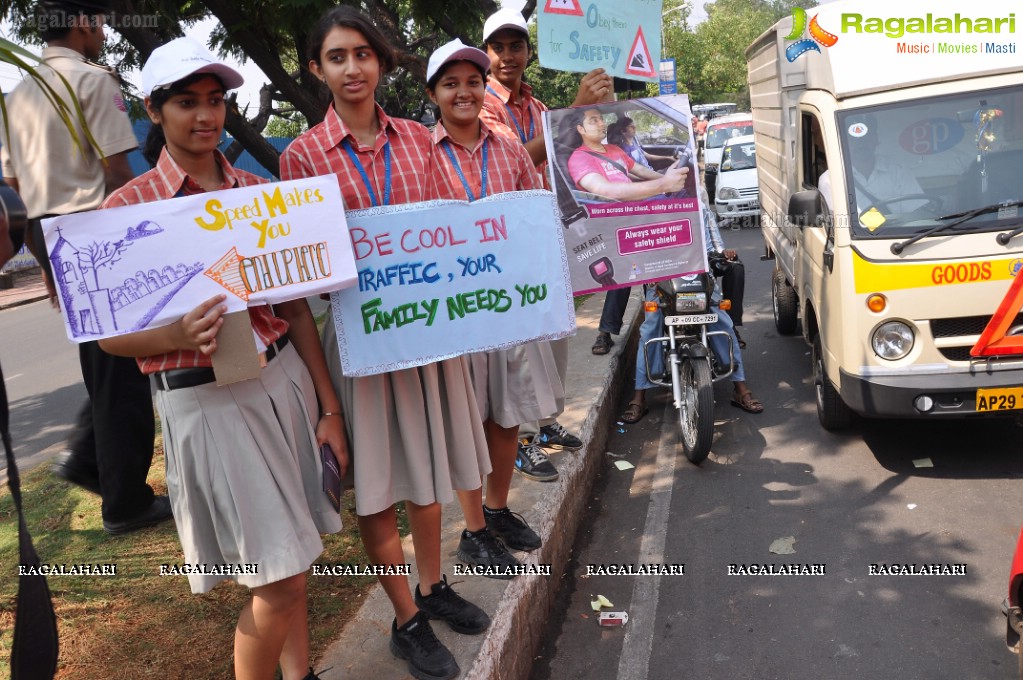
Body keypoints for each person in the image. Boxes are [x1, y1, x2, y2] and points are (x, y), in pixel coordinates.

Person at [97, 37, 343, 680]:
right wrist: (173, 329)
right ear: (155, 110)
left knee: (296, 555)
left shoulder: (258, 192)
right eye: (187, 102)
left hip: (282, 378)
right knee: (279, 576)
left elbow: (293, 311)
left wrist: (328, 404)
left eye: (215, 101)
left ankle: (300, 672)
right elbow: (107, 339)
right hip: (206, 399)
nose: (206, 117)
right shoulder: (126, 210)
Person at [280, 9, 490, 680]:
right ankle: (405, 620)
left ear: (382, 62)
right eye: (337, 57)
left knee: (425, 476)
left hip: (427, 333)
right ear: (317, 69)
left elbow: (448, 231)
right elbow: (298, 276)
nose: (352, 68)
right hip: (361, 346)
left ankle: (431, 585)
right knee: (376, 489)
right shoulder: (301, 157)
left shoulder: (418, 140)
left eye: (363, 54)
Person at [0, 0, 169, 534]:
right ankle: (124, 500)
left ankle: (92, 463)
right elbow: (118, 174)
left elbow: (17, 191)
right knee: (124, 368)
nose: (104, 32)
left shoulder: (19, 93)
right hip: (99, 230)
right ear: (83, 24)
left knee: (101, 360)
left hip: (49, 235)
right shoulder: (94, 81)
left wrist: (45, 262)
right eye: (99, 22)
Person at [424, 39, 565, 573]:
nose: (463, 91)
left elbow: (534, 211)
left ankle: (497, 507)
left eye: (472, 81)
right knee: (466, 421)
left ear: (484, 88)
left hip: (508, 308)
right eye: (451, 83)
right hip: (456, 315)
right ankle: (474, 532)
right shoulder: (422, 153)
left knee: (505, 418)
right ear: (434, 93)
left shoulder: (507, 147)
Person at [480, 7, 595, 462]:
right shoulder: (483, 103)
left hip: (547, 234)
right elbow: (514, 161)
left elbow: (561, 157)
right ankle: (523, 436)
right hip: (506, 242)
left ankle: (546, 422)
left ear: (528, 51)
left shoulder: (537, 106)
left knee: (555, 332)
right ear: (486, 53)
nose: (508, 56)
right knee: (517, 344)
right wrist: (574, 111)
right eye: (499, 48)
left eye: (516, 46)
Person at [620, 187, 763, 423]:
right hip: (662, 285)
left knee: (723, 324)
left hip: (699, 281)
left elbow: (715, 245)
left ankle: (741, 389)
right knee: (650, 330)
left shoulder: (700, 208)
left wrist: (722, 253)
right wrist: (643, 268)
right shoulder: (647, 209)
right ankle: (639, 397)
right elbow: (638, 249)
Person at [566, 107, 689, 202]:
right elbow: (606, 192)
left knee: (688, 192)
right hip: (624, 212)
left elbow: (640, 170)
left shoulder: (614, 149)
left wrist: (666, 178)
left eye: (601, 119)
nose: (602, 124)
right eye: (594, 121)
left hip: (640, 200)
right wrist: (663, 185)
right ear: (581, 129)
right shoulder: (579, 158)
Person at [818, 113, 925, 214]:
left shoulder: (898, 171)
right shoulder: (830, 179)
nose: (861, 143)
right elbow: (834, 226)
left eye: (866, 137)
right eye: (854, 139)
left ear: (875, 139)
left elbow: (917, 212)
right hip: (852, 234)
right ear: (844, 141)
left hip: (898, 233)